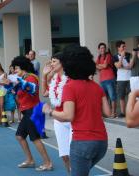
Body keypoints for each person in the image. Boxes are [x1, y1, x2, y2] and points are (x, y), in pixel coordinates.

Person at [42, 45, 111, 176]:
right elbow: (107, 113)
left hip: (82, 141)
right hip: (102, 142)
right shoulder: (97, 87)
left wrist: (49, 111)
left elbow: (68, 115)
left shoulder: (70, 87)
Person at [12, 56, 53, 171]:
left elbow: (32, 91)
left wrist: (20, 86)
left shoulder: (30, 78)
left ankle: (48, 162)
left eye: (16, 68)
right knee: (20, 136)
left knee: (35, 138)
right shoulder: (23, 79)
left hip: (33, 111)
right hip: (27, 112)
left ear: (23, 68)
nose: (15, 71)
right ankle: (30, 160)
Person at [42, 52, 71, 174]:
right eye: (51, 61)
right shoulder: (55, 79)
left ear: (62, 63)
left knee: (74, 153)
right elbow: (44, 93)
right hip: (59, 120)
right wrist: (44, 76)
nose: (51, 64)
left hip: (71, 119)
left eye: (54, 61)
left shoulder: (70, 78)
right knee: (64, 155)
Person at [96, 43, 117, 118]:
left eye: (104, 48)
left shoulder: (108, 56)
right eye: (101, 48)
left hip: (109, 79)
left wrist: (100, 65)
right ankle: (107, 113)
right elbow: (96, 66)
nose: (102, 49)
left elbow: (104, 66)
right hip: (102, 80)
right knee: (105, 98)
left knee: (112, 97)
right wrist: (101, 66)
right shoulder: (98, 57)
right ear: (98, 49)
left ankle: (113, 113)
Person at [113, 40, 132, 118]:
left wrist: (122, 67)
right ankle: (122, 112)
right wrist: (121, 57)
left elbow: (130, 66)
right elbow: (117, 66)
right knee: (121, 96)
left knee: (131, 96)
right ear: (118, 48)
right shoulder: (114, 57)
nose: (124, 47)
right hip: (120, 79)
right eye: (123, 46)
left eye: (125, 46)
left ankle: (131, 112)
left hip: (130, 78)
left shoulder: (129, 55)